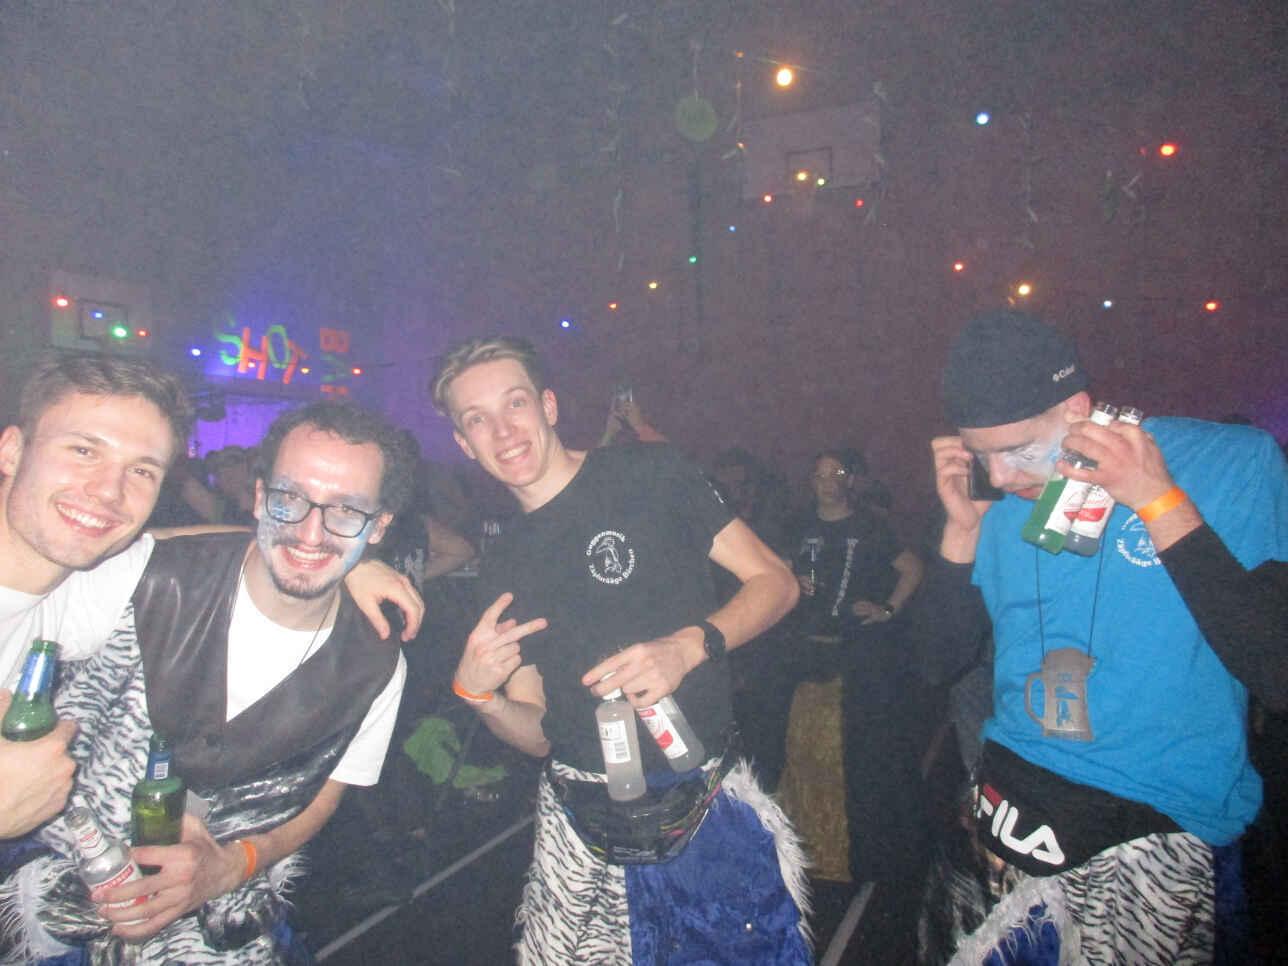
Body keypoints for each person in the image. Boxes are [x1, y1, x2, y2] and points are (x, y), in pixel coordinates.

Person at [917, 309, 1288, 964]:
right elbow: (933, 664)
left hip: (1153, 834)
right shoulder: (998, 503)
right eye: (981, 454)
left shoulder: (1229, 462)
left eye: (1018, 450)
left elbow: (1276, 671)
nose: (999, 477)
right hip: (1007, 814)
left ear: (1078, 409)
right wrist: (960, 534)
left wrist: (1157, 499)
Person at [431, 336, 810, 964]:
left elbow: (776, 582)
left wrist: (687, 647)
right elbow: (541, 734)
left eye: (515, 403)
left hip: (702, 814)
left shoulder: (649, 475)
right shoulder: (504, 561)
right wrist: (479, 696)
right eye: (477, 419)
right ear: (464, 444)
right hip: (581, 837)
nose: (503, 431)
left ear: (549, 406)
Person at [0, 400, 417, 963]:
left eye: (347, 510)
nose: (311, 532)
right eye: (290, 498)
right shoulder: (139, 577)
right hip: (46, 914)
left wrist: (236, 864)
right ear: (259, 496)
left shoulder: (377, 663)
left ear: (380, 525)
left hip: (214, 930)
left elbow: (324, 797)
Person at [777, 448, 926, 884]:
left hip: (859, 654)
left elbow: (912, 568)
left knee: (859, 751)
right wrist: (789, 583)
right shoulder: (797, 525)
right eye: (820, 474)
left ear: (850, 480)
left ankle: (866, 851)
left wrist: (887, 609)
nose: (827, 481)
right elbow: (773, 573)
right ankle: (808, 848)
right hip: (808, 652)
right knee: (806, 751)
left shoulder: (870, 526)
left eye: (836, 472)